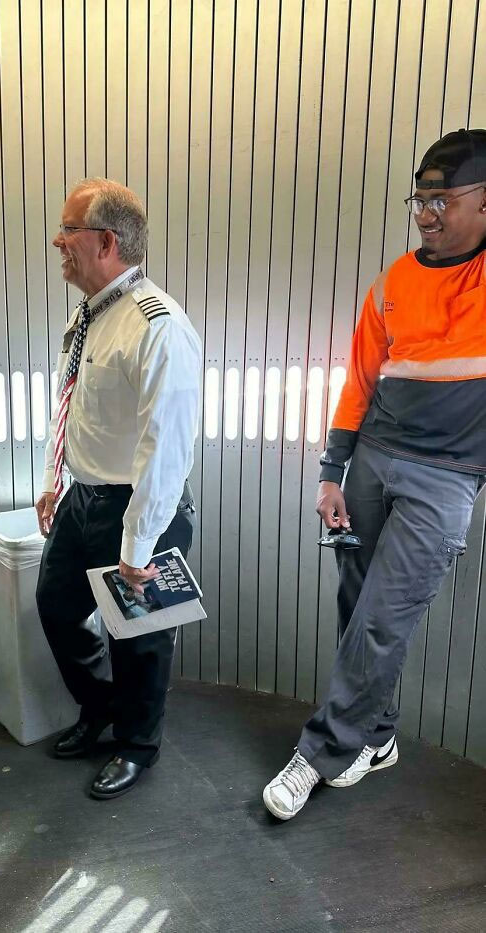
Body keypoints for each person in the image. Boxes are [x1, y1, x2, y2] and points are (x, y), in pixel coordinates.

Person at [263, 128, 486, 820]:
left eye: (443, 198)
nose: (426, 212)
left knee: (385, 620)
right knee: (358, 609)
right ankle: (376, 735)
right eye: (420, 198)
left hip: (445, 479)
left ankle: (321, 751)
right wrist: (332, 471)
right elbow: (358, 380)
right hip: (371, 464)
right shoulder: (393, 281)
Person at [35, 178, 201, 800]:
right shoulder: (90, 314)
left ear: (105, 242)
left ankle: (137, 745)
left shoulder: (157, 326)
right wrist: (55, 480)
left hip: (138, 506)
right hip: (83, 498)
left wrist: (139, 541)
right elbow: (74, 404)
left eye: (68, 230)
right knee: (56, 607)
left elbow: (170, 446)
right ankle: (102, 710)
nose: (58, 241)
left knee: (139, 637)